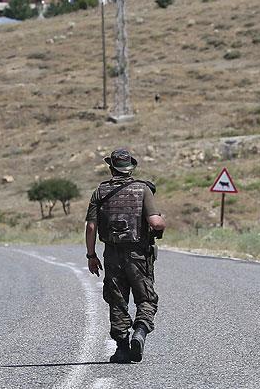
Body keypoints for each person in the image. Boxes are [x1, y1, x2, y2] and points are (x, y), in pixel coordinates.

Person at [85, 149, 166, 364]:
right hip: (138, 255)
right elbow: (156, 223)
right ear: (130, 168)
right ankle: (140, 331)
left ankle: (121, 349)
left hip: (112, 255)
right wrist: (161, 223)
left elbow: (91, 227)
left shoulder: (100, 192)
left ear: (111, 168)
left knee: (117, 301)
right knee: (146, 298)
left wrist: (91, 255)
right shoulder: (143, 189)